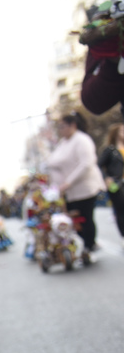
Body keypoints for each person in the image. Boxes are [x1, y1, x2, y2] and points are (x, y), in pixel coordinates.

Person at [43, 111, 102, 260]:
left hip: (84, 188)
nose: (60, 130)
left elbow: (86, 164)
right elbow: (54, 161)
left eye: (62, 126)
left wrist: (68, 182)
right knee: (71, 220)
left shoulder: (82, 140)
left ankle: (90, 247)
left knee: (85, 218)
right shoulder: (63, 143)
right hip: (68, 192)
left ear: (72, 125)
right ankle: (87, 244)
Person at [97, 122, 124, 246]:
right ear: (116, 133)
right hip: (117, 185)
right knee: (121, 211)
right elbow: (99, 165)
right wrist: (107, 178)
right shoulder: (110, 150)